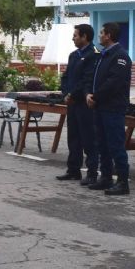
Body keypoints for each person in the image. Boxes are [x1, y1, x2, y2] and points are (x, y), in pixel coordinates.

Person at [85, 22, 132, 196]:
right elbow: (94, 78)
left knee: (116, 145)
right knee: (102, 144)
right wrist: (89, 94)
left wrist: (95, 96)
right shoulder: (103, 55)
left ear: (109, 35)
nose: (99, 36)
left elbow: (113, 83)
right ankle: (105, 177)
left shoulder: (120, 57)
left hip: (112, 108)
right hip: (100, 106)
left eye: (102, 33)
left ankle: (122, 182)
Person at [57, 24, 99, 186]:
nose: (73, 38)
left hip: (84, 104)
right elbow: (65, 77)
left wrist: (73, 94)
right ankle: (73, 170)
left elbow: (87, 80)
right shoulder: (74, 55)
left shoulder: (93, 55)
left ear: (85, 37)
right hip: (72, 103)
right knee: (73, 138)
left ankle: (92, 173)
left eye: (75, 35)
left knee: (88, 139)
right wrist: (65, 94)